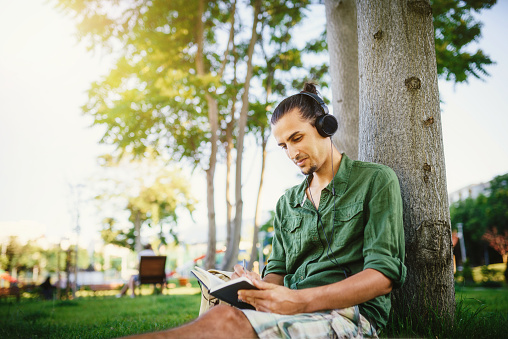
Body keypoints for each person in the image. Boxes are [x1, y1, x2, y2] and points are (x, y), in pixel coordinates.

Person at [131, 82, 406, 338]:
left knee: (226, 324)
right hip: (290, 307)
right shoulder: (287, 203)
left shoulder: (375, 181)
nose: (292, 153)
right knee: (222, 313)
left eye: (297, 138)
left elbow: (382, 277)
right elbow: (276, 271)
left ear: (325, 126)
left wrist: (297, 301)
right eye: (284, 146)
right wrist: (256, 286)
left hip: (349, 316)